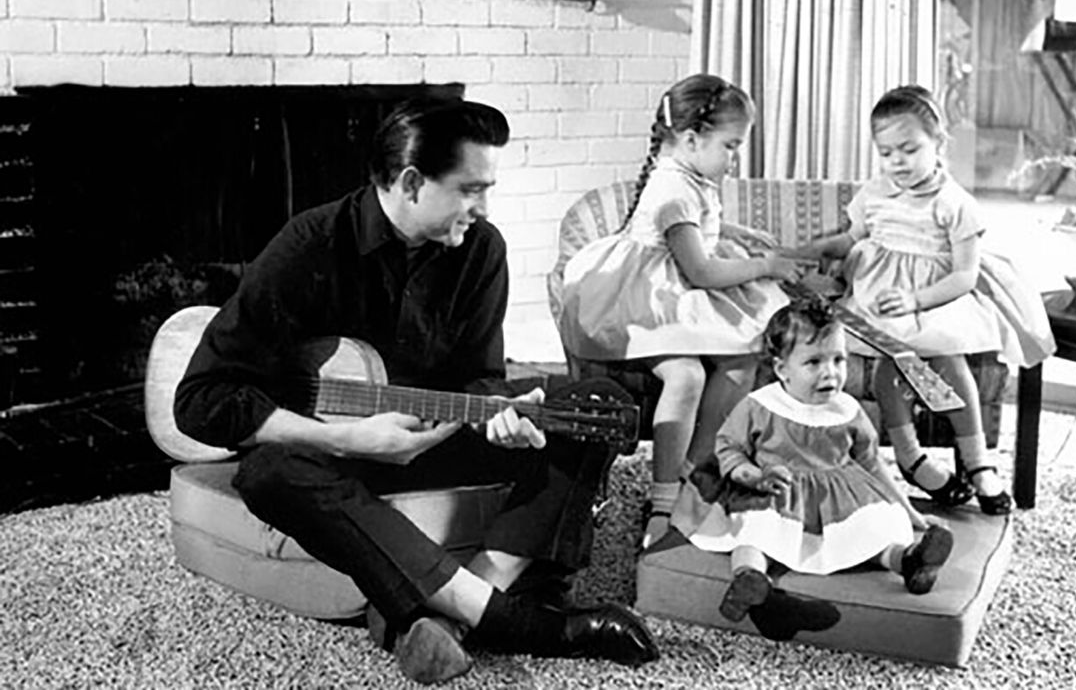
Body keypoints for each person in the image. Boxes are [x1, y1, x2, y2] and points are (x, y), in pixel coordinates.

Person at [174, 96, 658, 686]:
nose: (482, 208)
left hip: (430, 435)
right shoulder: (310, 246)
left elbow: (476, 379)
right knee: (267, 474)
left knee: (589, 406)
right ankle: (515, 622)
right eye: (469, 189)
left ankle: (454, 615)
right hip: (331, 457)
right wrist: (347, 438)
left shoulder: (482, 249)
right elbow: (199, 400)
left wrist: (492, 414)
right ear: (410, 182)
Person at [558, 73, 800, 550]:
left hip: (677, 286)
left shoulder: (690, 172)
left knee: (743, 357)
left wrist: (739, 232)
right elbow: (703, 271)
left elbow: (700, 219)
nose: (734, 158)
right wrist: (765, 264)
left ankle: (699, 462)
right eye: (731, 146)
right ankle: (665, 494)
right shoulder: (672, 187)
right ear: (691, 139)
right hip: (646, 301)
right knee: (686, 377)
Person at [786, 85, 1054, 513]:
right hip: (878, 299)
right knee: (891, 364)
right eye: (887, 152)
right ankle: (911, 457)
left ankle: (978, 461)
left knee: (948, 364)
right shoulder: (875, 192)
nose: (897, 162)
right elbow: (852, 238)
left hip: (932, 299)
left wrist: (916, 300)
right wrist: (815, 250)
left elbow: (965, 275)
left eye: (909, 150)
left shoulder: (955, 204)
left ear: (938, 143)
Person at [670, 298, 955, 641]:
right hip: (774, 491)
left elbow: (871, 462)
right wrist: (754, 477)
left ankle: (907, 562)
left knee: (873, 526)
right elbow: (729, 448)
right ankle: (749, 578)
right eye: (814, 362)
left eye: (838, 360)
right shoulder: (761, 406)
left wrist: (907, 511)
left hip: (838, 495)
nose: (830, 373)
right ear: (781, 369)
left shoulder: (847, 410)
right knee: (756, 532)